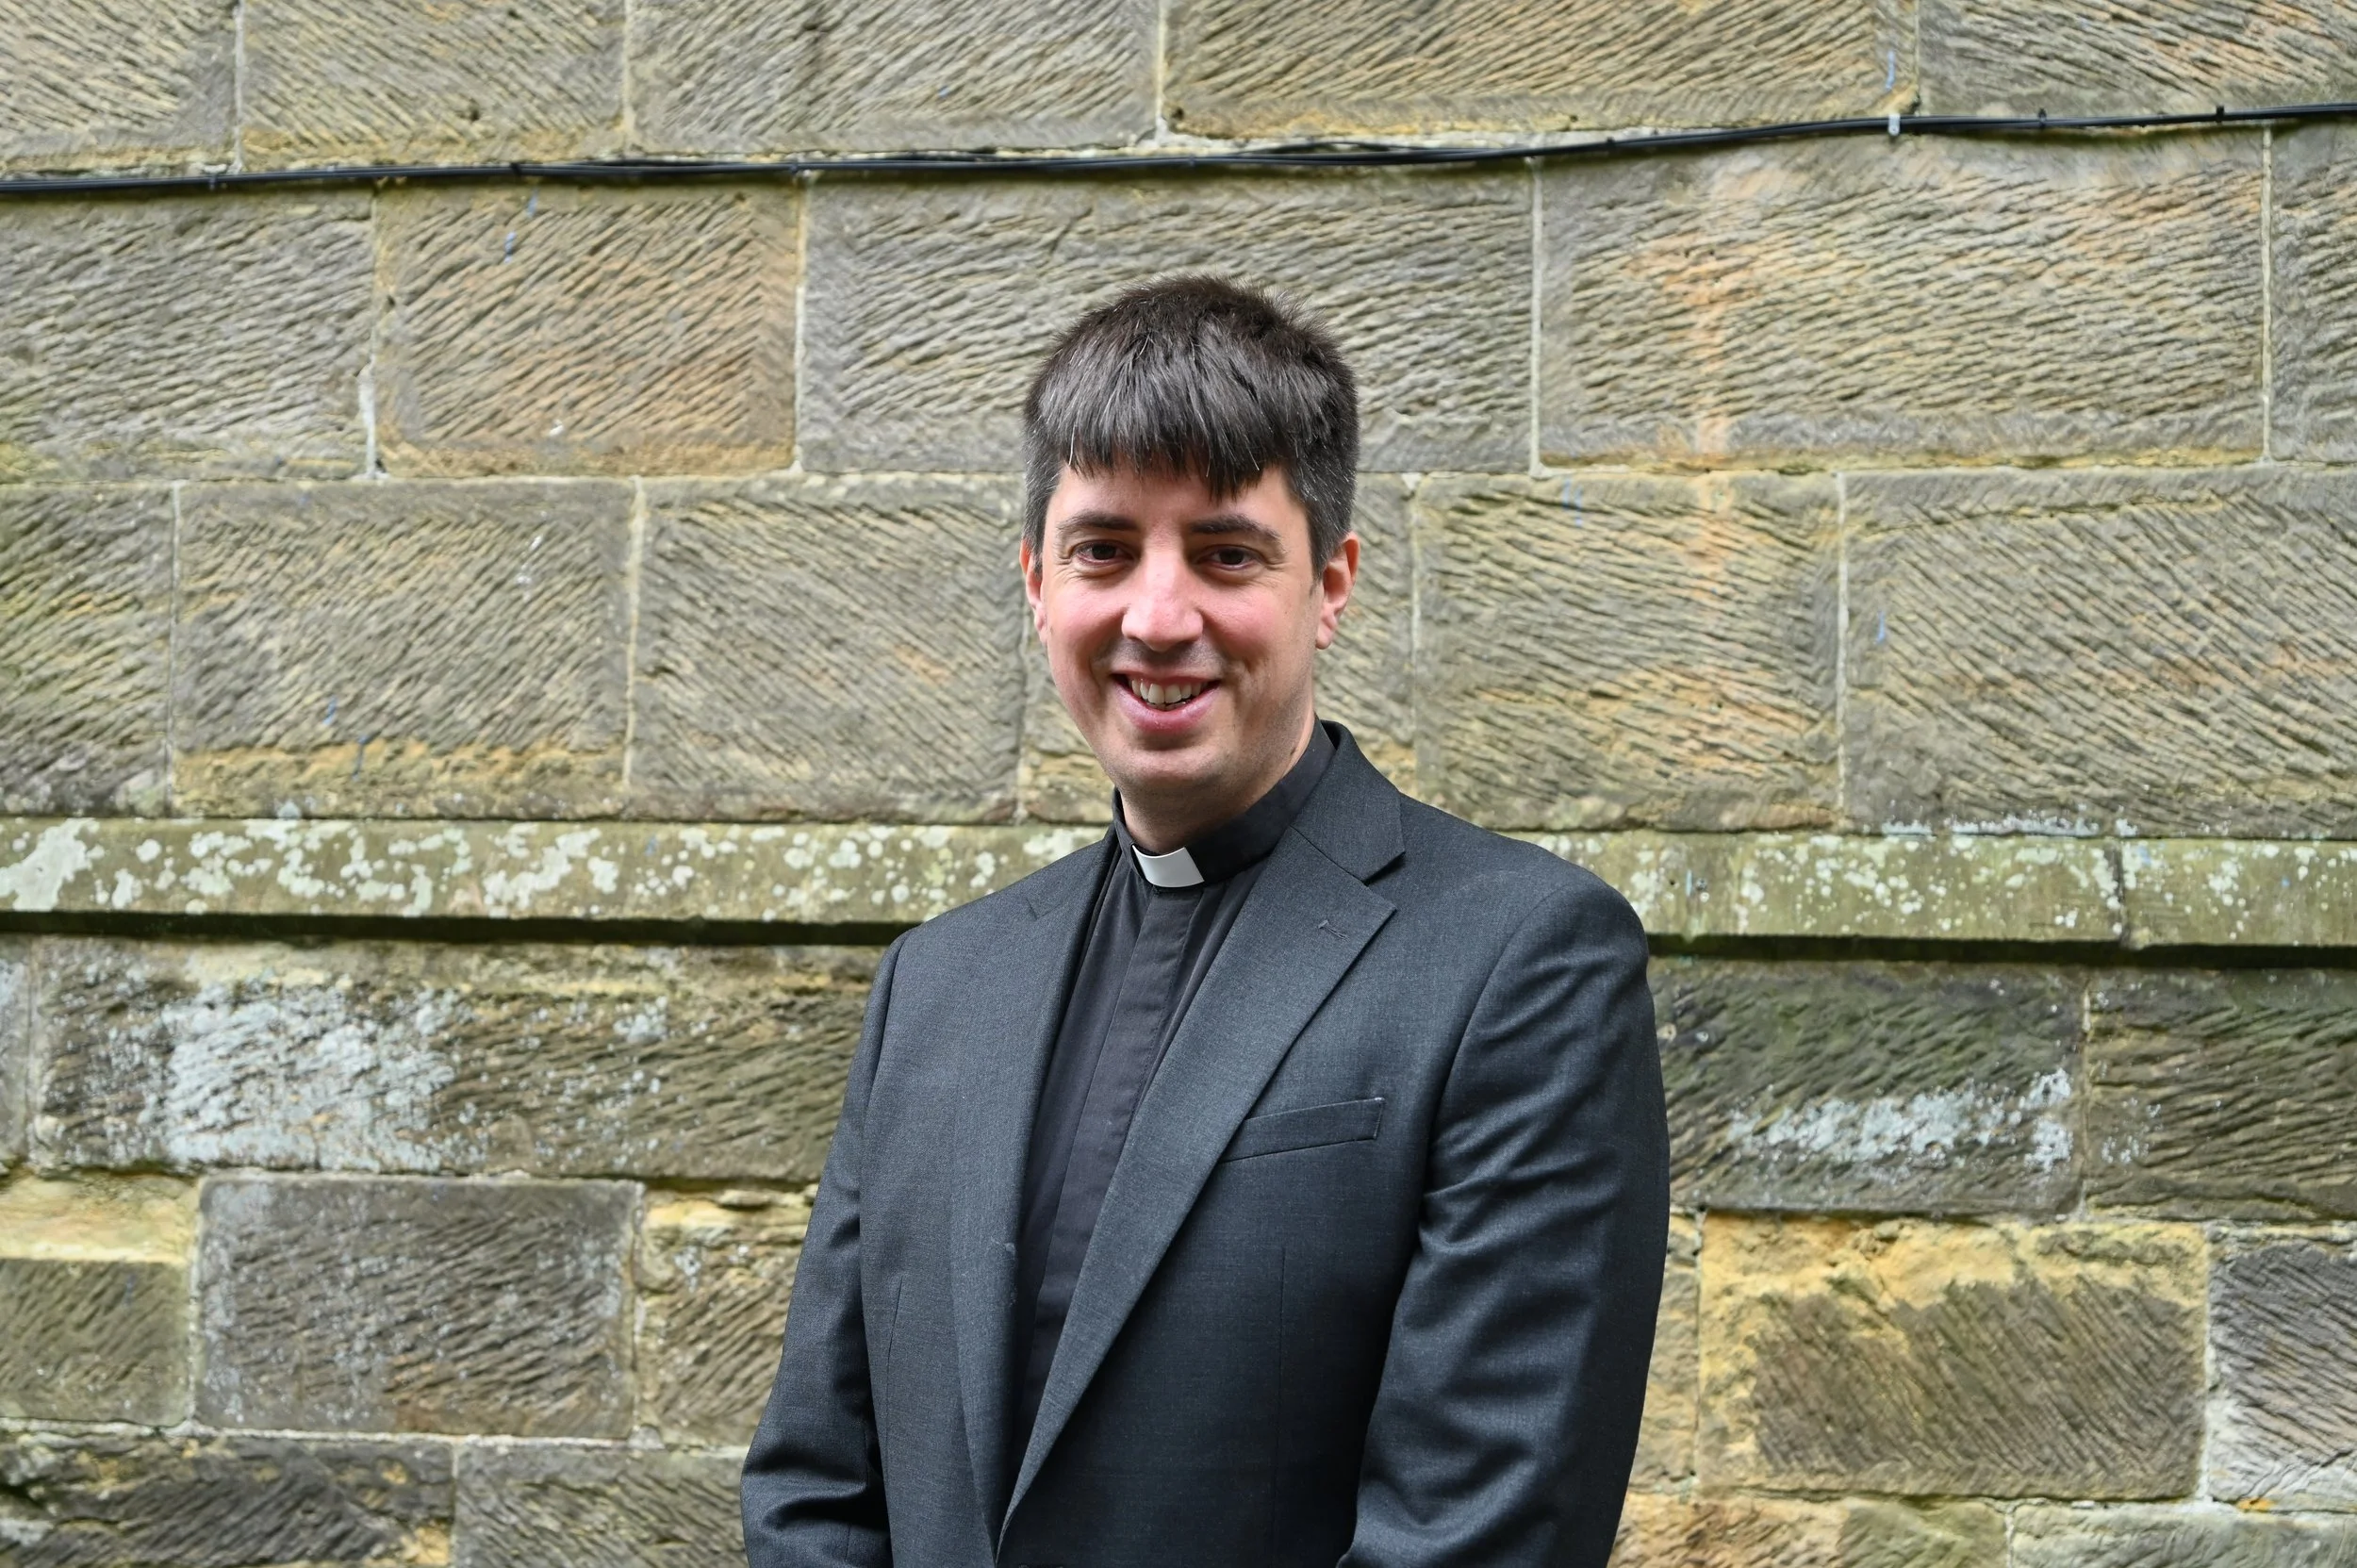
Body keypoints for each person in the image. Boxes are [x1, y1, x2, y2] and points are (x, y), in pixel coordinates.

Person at [741, 275, 1670, 1568]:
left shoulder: (1520, 963)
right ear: (1035, 583)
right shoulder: (935, 984)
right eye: (1105, 549)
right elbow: (814, 1495)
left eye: (1227, 552)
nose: (1158, 616)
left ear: (1330, 584)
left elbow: (1477, 1538)